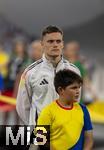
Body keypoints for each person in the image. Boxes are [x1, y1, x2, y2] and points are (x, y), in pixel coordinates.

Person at [16, 25, 81, 125]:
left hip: (65, 131)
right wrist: (35, 124)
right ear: (42, 44)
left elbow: (76, 101)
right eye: (50, 41)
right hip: (41, 132)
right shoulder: (30, 72)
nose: (55, 45)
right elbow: (22, 107)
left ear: (62, 44)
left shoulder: (73, 71)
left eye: (58, 41)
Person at [37, 69, 93, 150]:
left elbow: (89, 139)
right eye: (73, 88)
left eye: (78, 87)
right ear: (61, 90)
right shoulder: (47, 112)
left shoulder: (83, 110)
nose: (78, 91)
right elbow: (40, 140)